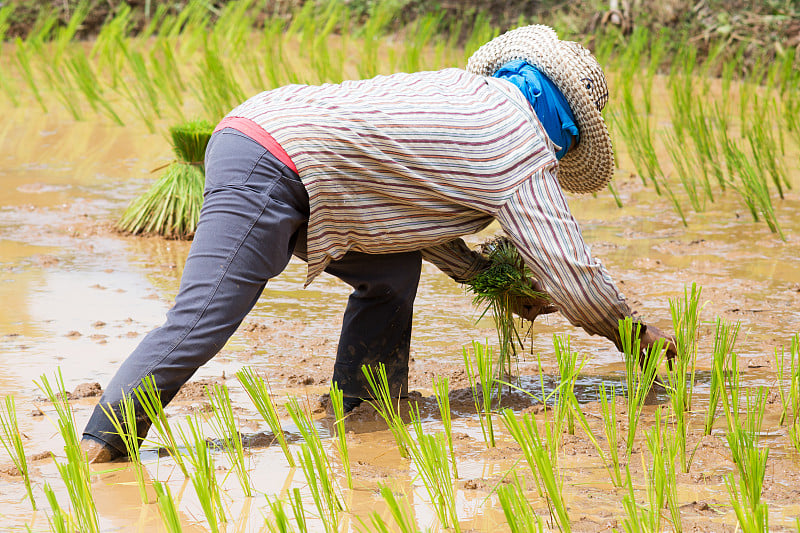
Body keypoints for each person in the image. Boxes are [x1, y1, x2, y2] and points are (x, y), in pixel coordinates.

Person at [81, 25, 676, 462]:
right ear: (567, 123)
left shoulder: (466, 99)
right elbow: (567, 266)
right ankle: (101, 445)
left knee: (390, 275)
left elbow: (409, 214)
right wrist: (628, 330)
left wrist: (483, 277)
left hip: (265, 133)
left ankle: (363, 407)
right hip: (273, 164)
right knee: (205, 315)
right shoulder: (517, 140)